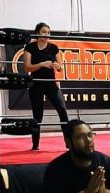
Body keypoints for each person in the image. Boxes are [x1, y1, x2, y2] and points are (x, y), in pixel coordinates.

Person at [24, 22, 69, 150]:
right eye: (44, 32)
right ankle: (35, 145)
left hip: (50, 83)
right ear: (37, 33)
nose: (46, 35)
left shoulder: (53, 48)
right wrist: (41, 64)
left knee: (62, 109)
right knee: (37, 115)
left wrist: (57, 66)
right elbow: (27, 67)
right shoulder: (30, 47)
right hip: (36, 83)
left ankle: (68, 141)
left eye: (48, 32)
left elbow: (60, 67)